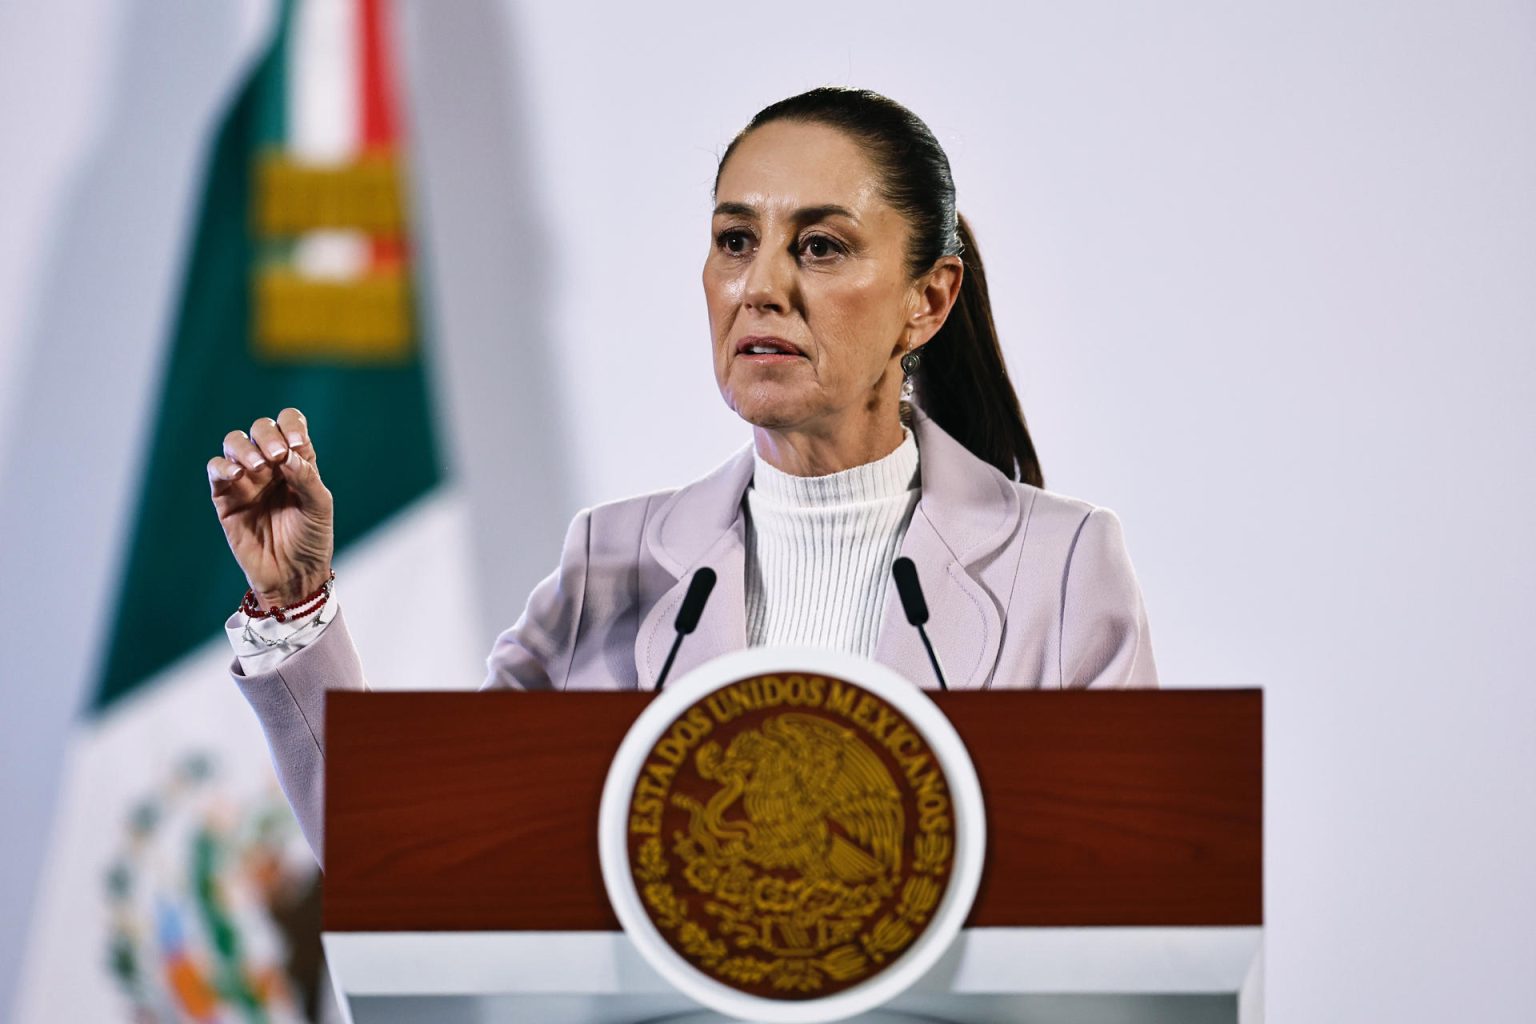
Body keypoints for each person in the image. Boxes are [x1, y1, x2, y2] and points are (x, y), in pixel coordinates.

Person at [207, 88, 1158, 866]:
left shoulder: (1061, 568)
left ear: (928, 299)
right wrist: (295, 609)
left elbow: (1133, 906)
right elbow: (408, 855)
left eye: (820, 246)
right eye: (736, 241)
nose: (760, 287)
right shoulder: (612, 566)